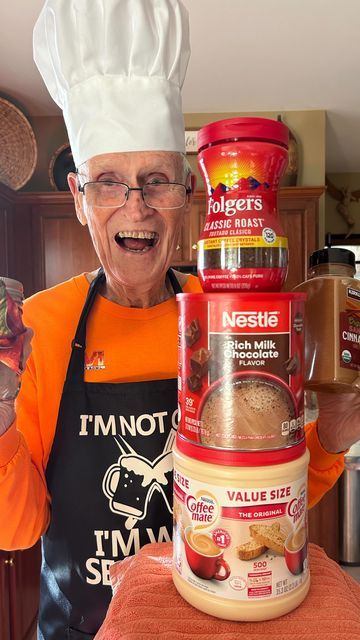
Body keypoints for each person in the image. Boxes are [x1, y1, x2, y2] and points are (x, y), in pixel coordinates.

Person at [0, 0, 359, 638]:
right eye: (109, 181)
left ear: (187, 195)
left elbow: (266, 509)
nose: (134, 208)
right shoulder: (42, 325)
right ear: (80, 200)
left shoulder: (234, 317)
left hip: (210, 618)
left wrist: (331, 430)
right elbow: (18, 528)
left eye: (157, 180)